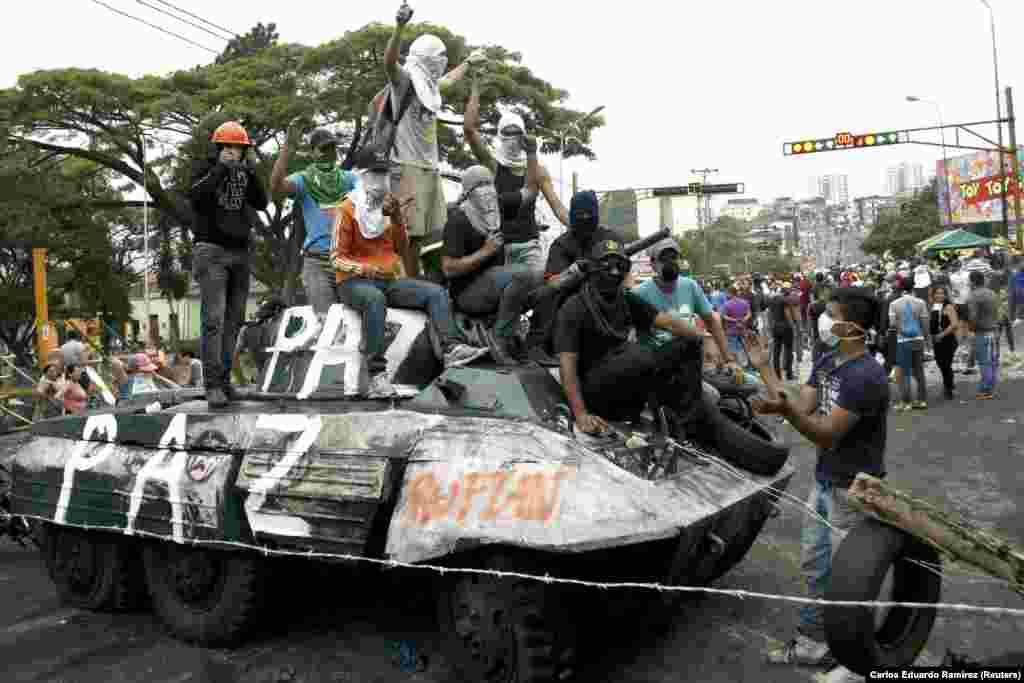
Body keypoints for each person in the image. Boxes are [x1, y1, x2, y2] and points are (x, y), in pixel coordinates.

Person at [750, 288, 889, 669]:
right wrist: (764, 368)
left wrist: (787, 414)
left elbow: (825, 432)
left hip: (854, 490)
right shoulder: (829, 360)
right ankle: (814, 642)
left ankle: (857, 656)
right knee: (816, 567)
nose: (821, 319)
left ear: (852, 325)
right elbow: (799, 405)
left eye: (829, 313)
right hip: (826, 482)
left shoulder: (867, 376)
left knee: (850, 580)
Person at [333, 146, 488, 397]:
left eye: (384, 175)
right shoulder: (347, 210)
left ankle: (452, 349)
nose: (381, 181)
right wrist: (363, 267)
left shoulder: (387, 208)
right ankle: (376, 374)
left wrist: (396, 218)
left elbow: (402, 248)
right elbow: (336, 258)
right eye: (375, 174)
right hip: (353, 282)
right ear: (362, 176)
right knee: (374, 300)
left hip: (386, 280)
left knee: (435, 293)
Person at [554, 238, 709, 435]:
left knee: (689, 343)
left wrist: (700, 336)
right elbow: (567, 367)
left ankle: (687, 425)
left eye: (620, 266)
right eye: (607, 266)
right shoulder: (574, 307)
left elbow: (669, 323)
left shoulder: (626, 299)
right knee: (638, 355)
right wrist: (581, 415)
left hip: (626, 376)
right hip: (596, 389)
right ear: (593, 268)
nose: (615, 272)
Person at [384, 2, 486, 278]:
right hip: (406, 165)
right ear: (427, 60)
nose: (442, 62)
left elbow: (449, 81)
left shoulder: (429, 86)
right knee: (406, 230)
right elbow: (389, 62)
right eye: (438, 57)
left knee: (427, 232)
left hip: (429, 167)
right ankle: (408, 282)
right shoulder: (403, 82)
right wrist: (400, 26)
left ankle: (416, 278)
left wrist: (467, 63)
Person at [188, 119, 269, 408]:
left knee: (234, 321)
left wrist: (251, 171)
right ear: (219, 147)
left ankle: (225, 381)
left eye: (239, 147)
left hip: (240, 252)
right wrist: (221, 168)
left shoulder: (245, 171)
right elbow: (196, 198)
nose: (235, 151)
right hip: (211, 251)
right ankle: (211, 385)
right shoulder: (205, 169)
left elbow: (261, 202)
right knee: (214, 320)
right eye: (230, 147)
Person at [441, 165, 544, 364]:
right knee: (522, 275)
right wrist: (485, 251)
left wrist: (531, 153)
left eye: (489, 183)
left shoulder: (498, 206)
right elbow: (448, 269)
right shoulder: (459, 220)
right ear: (468, 192)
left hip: (496, 284)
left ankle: (529, 342)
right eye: (479, 185)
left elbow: (530, 192)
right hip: (467, 294)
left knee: (542, 279)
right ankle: (500, 339)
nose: (486, 190)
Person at [463, 85, 567, 271]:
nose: (512, 139)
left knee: (536, 288)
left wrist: (585, 228)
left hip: (529, 246)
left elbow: (558, 208)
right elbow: (470, 130)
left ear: (524, 134)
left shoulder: (536, 168)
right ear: (500, 135)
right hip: (499, 246)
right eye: (507, 133)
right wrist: (475, 89)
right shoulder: (493, 164)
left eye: (517, 133)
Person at [523, 190, 623, 364]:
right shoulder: (562, 244)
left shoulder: (610, 238)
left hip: (604, 295)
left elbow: (623, 273)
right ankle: (537, 345)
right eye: (580, 215)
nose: (585, 218)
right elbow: (552, 282)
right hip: (570, 297)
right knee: (548, 293)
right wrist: (574, 272)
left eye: (589, 215)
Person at [270, 126, 357, 316]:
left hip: (348, 260)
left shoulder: (349, 179)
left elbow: (371, 196)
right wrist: (287, 149)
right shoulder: (304, 180)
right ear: (312, 152)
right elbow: (276, 187)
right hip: (317, 262)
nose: (329, 153)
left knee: (351, 323)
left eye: (332, 148)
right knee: (326, 323)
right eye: (323, 148)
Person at [631, 238, 737, 371]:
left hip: (690, 365)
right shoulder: (639, 293)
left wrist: (728, 359)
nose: (670, 262)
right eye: (664, 258)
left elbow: (712, 321)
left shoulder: (690, 286)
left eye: (674, 257)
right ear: (652, 263)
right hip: (656, 369)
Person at [888, 278, 930, 411]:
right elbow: (925, 323)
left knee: (905, 372)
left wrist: (903, 332)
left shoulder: (894, 304)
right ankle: (922, 400)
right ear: (914, 287)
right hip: (918, 340)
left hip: (902, 341)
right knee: (919, 370)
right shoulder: (920, 302)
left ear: (900, 288)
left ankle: (906, 402)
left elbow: (892, 324)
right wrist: (924, 336)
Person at [966, 270, 998, 400]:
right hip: (993, 331)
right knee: (991, 362)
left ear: (972, 281)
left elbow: (972, 317)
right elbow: (997, 312)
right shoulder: (992, 293)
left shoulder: (973, 296)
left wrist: (971, 330)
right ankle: (990, 388)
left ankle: (985, 390)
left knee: (984, 363)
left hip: (981, 332)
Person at [930, 286, 959, 401]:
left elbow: (954, 324)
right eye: (937, 293)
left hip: (948, 340)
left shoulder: (949, 307)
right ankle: (949, 385)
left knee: (946, 364)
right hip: (936, 341)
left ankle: (949, 388)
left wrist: (941, 335)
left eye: (942, 293)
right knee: (940, 363)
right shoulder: (933, 307)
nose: (939, 295)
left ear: (946, 295)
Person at [767, 285, 796, 381]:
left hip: (775, 327)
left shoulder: (772, 300)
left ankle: (777, 375)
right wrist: (793, 326)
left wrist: (771, 327)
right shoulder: (785, 300)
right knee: (788, 350)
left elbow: (770, 315)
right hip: (785, 327)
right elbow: (787, 314)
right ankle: (789, 374)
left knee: (776, 351)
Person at [721, 285, 752, 367]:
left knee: (733, 349)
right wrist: (744, 319)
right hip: (743, 328)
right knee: (746, 347)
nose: (726, 295)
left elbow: (723, 316)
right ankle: (748, 364)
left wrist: (734, 320)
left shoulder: (726, 304)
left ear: (730, 293)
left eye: (727, 293)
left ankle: (738, 366)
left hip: (731, 330)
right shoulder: (745, 302)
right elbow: (749, 314)